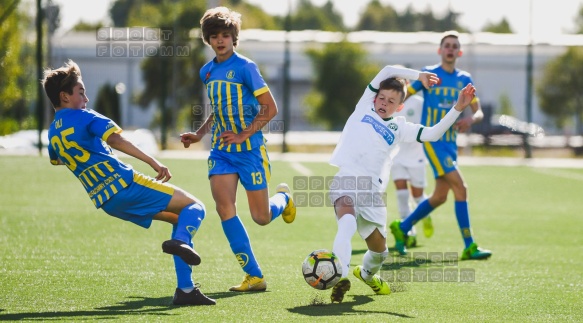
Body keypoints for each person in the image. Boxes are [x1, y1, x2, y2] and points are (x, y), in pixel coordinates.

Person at [43, 60, 215, 306]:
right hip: (126, 185)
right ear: (64, 96)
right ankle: (183, 266)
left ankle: (186, 289)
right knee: (195, 207)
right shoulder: (83, 116)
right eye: (81, 92)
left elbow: (57, 159)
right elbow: (116, 140)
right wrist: (153, 162)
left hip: (107, 202)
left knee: (180, 219)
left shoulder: (52, 133)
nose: (86, 99)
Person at [328, 64, 477, 303]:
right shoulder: (364, 105)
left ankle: (366, 273)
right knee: (346, 223)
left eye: (391, 101)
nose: (384, 103)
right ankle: (340, 276)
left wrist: (458, 108)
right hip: (347, 178)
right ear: (375, 96)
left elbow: (433, 134)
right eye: (382, 97)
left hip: (373, 194)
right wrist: (418, 76)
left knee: (380, 252)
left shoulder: (399, 127)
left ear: (399, 107)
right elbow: (387, 69)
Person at [180, 6, 295, 292]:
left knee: (261, 218)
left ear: (234, 38)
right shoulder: (206, 71)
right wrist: (199, 134)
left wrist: (244, 134)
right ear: (208, 39)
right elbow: (217, 111)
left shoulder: (247, 67)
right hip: (220, 151)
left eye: (226, 35)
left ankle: (283, 199)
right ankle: (254, 275)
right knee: (224, 208)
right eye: (215, 36)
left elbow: (270, 108)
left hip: (250, 151)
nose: (220, 40)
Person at [390, 30, 492, 260]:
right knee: (461, 188)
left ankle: (403, 227)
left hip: (451, 143)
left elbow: (478, 111)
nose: (450, 49)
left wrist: (470, 119)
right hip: (433, 141)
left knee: (439, 197)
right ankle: (469, 245)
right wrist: (389, 106)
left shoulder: (464, 79)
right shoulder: (430, 75)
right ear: (440, 50)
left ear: (459, 52)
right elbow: (405, 93)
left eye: (454, 46)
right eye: (447, 45)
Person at [389, 78, 432, 249]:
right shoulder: (390, 103)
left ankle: (426, 214)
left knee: (418, 196)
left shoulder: (419, 102)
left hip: (416, 155)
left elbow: (429, 125)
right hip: (397, 155)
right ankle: (409, 233)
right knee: (401, 195)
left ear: (407, 82)